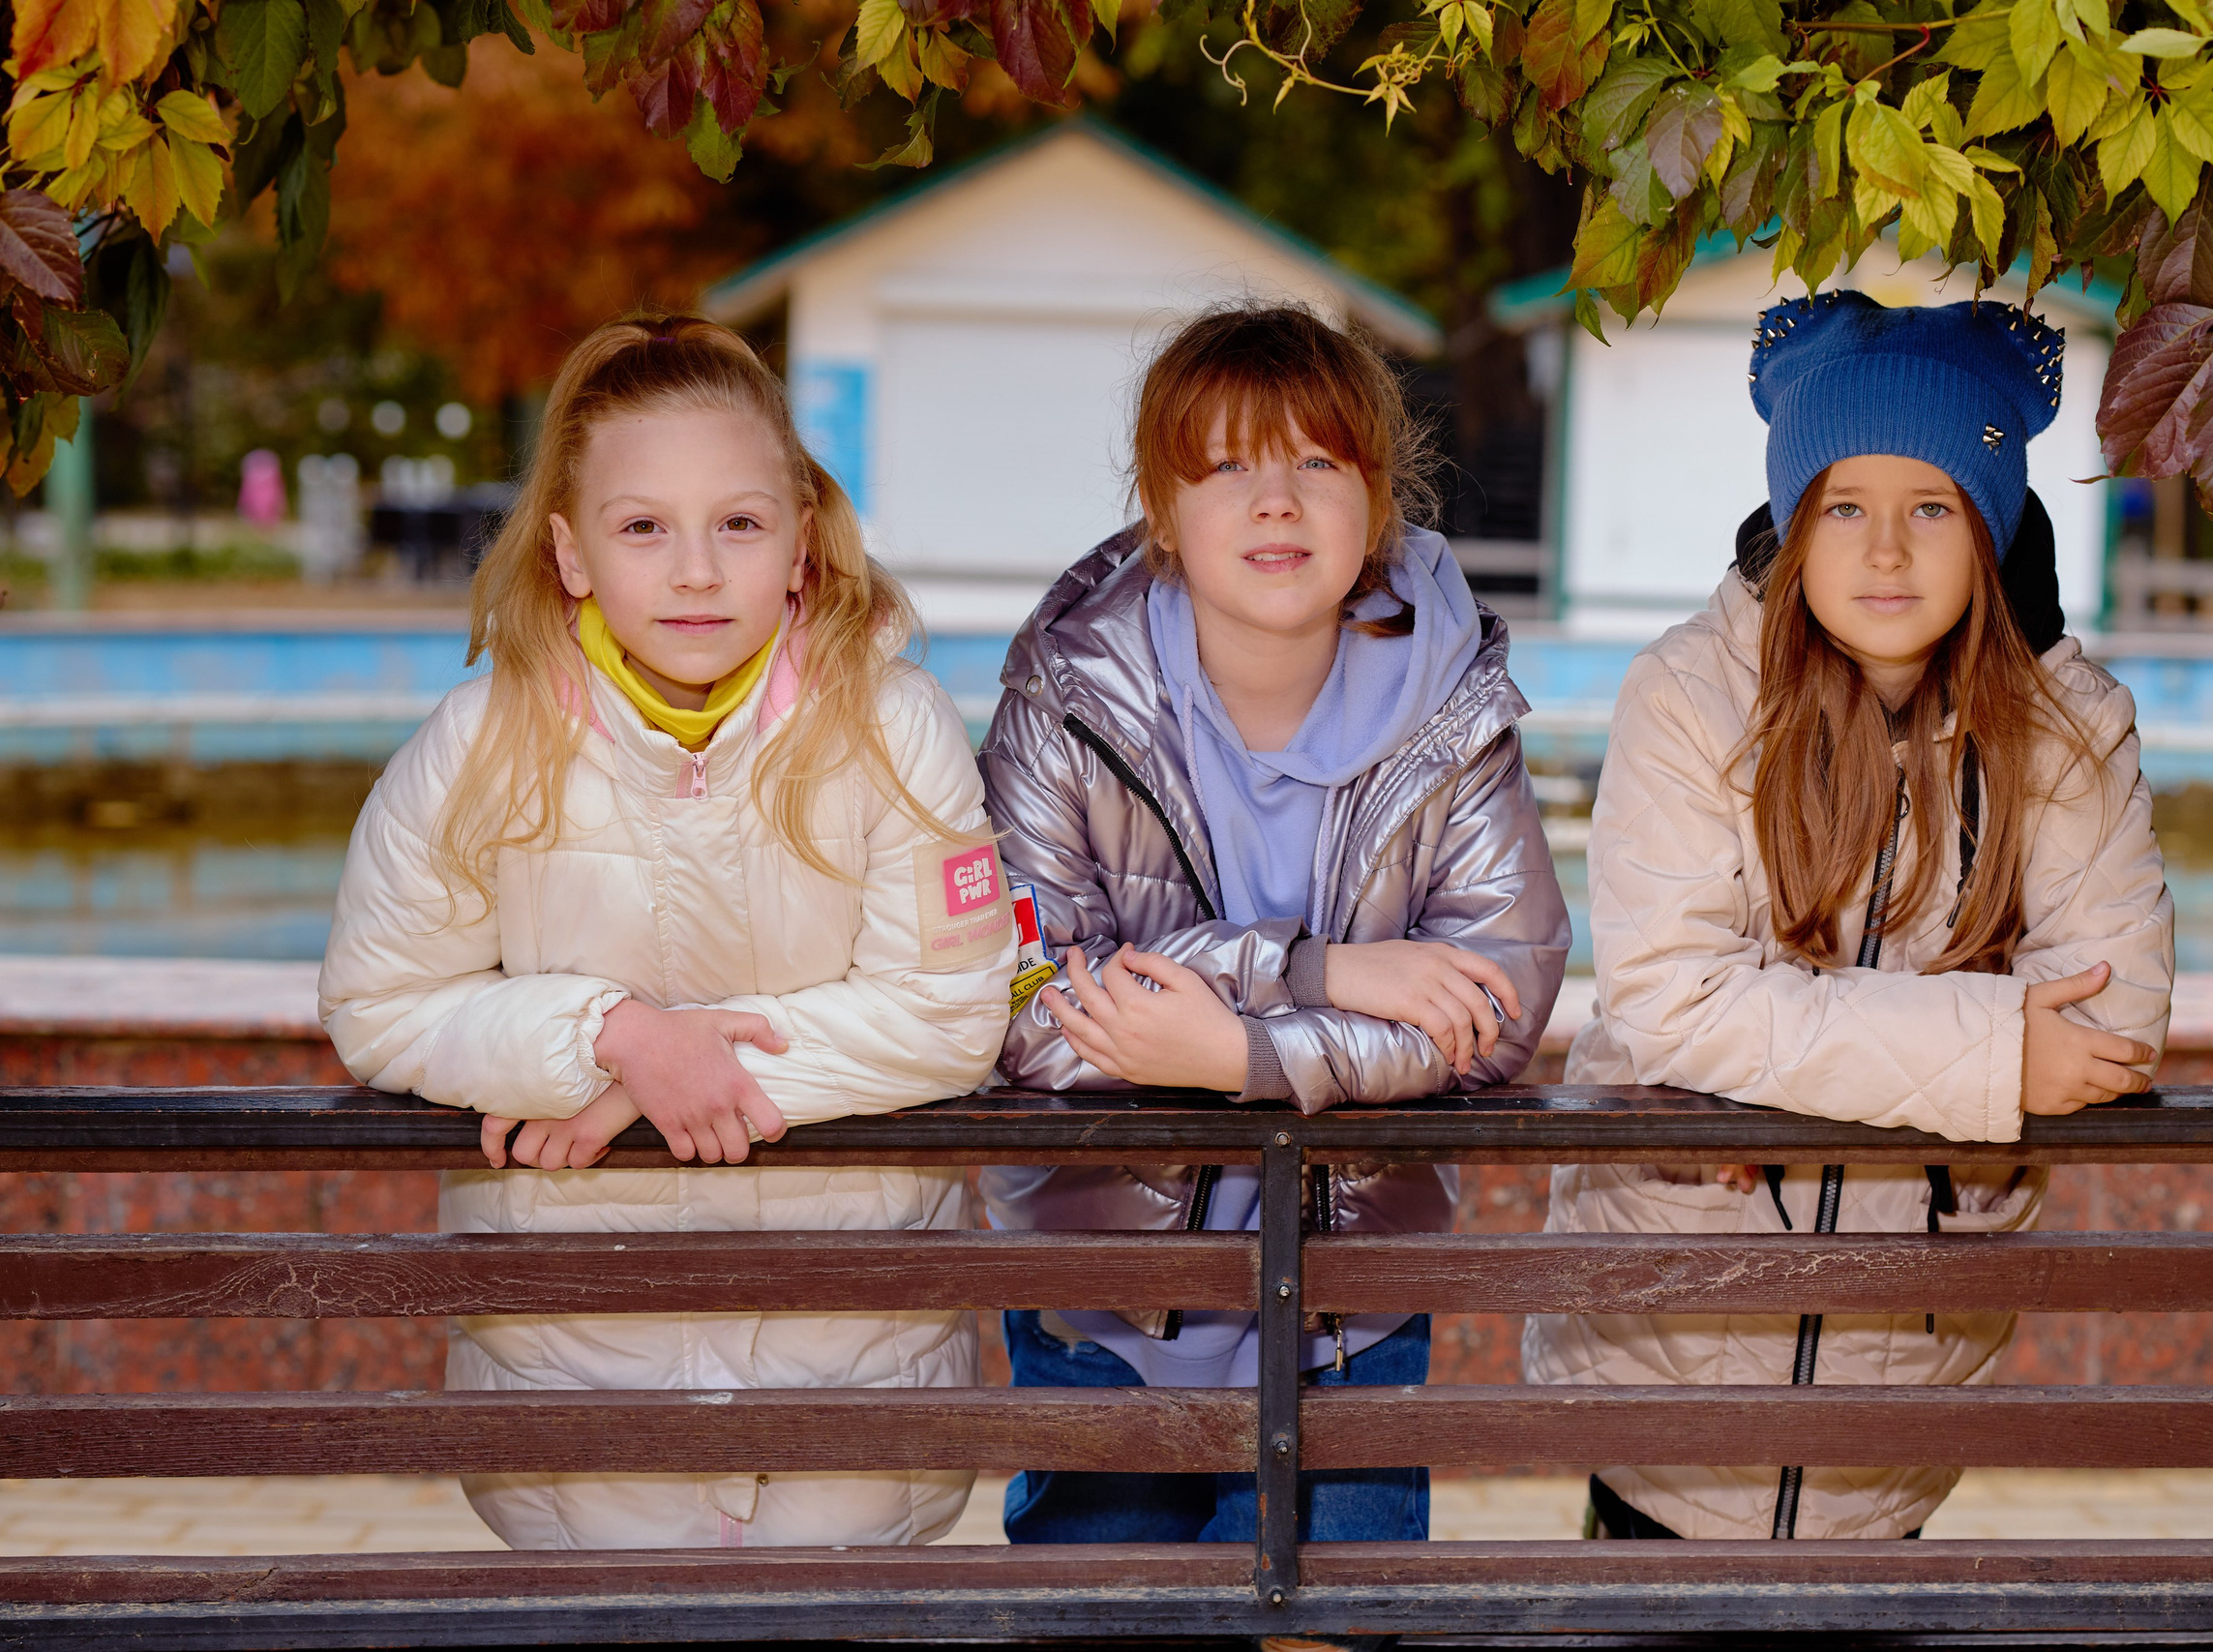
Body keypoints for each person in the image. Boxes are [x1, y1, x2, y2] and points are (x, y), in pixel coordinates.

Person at [317, 315, 1013, 1549]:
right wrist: (611, 1034)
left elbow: (953, 1009)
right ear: (572, 554)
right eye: (645, 527)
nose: (696, 570)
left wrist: (664, 1072)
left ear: (799, 545)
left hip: (849, 1364)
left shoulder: (897, 733)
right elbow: (381, 1003)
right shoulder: (477, 749)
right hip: (577, 1371)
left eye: (738, 524)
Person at [1525, 292, 2172, 1542]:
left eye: (1931, 505)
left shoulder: (2066, 722)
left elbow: (2116, 1019)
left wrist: (1773, 1051)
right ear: (1792, 522)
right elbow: (1672, 998)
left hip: (1904, 1339)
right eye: (1845, 507)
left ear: (1990, 527)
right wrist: (1990, 1050)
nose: (1886, 553)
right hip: (1675, 1305)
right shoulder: (1691, 691)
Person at [975, 305, 1571, 1554]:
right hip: (1107, 1286)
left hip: (1351, 1298)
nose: (1277, 502)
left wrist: (1242, 1057)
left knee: (1327, 1633)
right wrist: (1322, 972)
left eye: (1317, 462)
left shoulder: (1452, 706)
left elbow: (1495, 999)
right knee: (1112, 1632)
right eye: (1229, 465)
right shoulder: (1065, 696)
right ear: (1162, 508)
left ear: (1375, 500)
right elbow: (1025, 997)